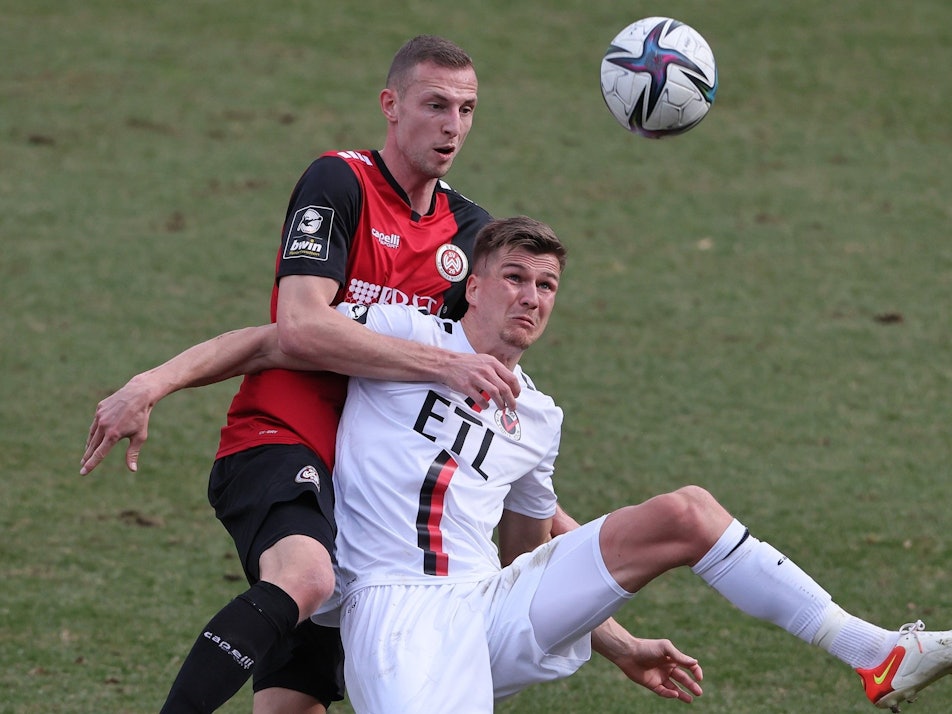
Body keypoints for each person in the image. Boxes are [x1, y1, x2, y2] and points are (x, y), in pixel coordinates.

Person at [192, 216, 952, 713]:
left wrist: (619, 641)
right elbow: (272, 340)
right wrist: (151, 385)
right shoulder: (401, 335)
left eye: (547, 285)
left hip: (488, 601)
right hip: (397, 611)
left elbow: (532, 552)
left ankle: (876, 651)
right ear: (475, 285)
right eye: (516, 278)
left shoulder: (538, 416)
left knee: (687, 512)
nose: (531, 297)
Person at [80, 36, 627, 714]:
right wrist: (151, 382)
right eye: (435, 105)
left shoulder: (471, 234)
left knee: (291, 705)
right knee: (307, 574)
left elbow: (512, 483)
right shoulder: (340, 183)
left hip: (373, 493)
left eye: (467, 108)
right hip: (281, 438)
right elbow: (298, 329)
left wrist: (619, 640)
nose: (452, 125)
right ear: (390, 107)